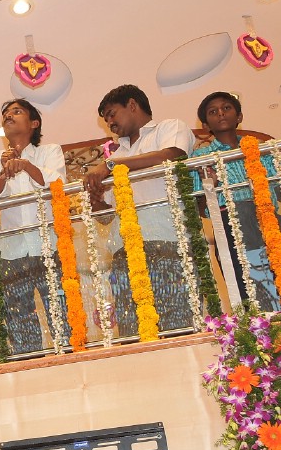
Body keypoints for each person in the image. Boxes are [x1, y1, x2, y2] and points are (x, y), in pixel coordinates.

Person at [84, 84, 195, 336]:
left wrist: (111, 165)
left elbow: (171, 156)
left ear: (132, 105)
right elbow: (106, 219)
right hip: (124, 252)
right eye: (105, 119)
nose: (109, 122)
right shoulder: (119, 154)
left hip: (168, 243)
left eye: (112, 114)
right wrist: (97, 201)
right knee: (132, 332)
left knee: (178, 324)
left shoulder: (168, 128)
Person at [0, 99, 66, 355]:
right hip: (11, 252)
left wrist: (26, 165)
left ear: (34, 123)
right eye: (5, 113)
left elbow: (57, 183)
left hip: (48, 245)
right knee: (19, 321)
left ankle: (70, 363)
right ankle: (30, 368)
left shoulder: (49, 151)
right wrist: (4, 173)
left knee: (60, 312)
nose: (8, 115)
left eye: (16, 111)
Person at [190, 91, 278, 309]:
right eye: (213, 112)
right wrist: (211, 186)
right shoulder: (201, 158)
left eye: (226, 108)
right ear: (205, 125)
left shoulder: (260, 149)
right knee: (251, 287)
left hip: (269, 221)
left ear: (239, 116)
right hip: (231, 224)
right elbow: (199, 207)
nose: (220, 113)